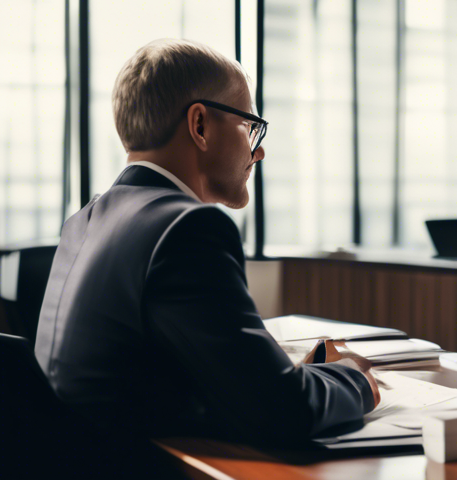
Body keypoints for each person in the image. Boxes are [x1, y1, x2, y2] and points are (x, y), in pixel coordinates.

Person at [35, 39, 380, 444]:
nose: (260, 150)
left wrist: (277, 373)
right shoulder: (186, 227)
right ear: (199, 126)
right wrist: (355, 379)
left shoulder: (84, 222)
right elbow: (280, 411)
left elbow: (150, 378)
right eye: (249, 126)